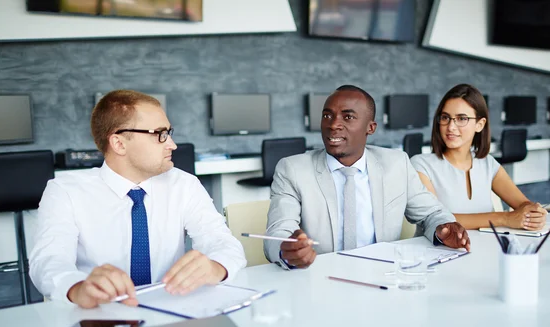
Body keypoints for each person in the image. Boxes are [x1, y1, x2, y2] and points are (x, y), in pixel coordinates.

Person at [30, 90, 246, 308]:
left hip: (172, 309)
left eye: (169, 132)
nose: (172, 144)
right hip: (101, 313)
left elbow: (223, 243)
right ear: (119, 143)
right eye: (159, 134)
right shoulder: (65, 191)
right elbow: (48, 261)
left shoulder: (184, 185)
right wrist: (78, 288)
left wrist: (216, 267)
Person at [264, 85, 470, 269]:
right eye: (327, 115)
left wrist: (443, 229)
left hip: (384, 275)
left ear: (370, 128)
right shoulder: (292, 169)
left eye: (348, 117)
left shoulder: (396, 163)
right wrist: (287, 250)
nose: (334, 124)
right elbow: (277, 232)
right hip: (322, 277)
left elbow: (431, 214)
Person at [410, 83, 547, 231]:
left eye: (461, 118)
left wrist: (532, 212)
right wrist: (505, 218)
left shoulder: (487, 163)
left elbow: (522, 204)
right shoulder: (420, 165)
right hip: (437, 252)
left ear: (480, 125)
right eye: (445, 117)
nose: (451, 127)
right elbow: (438, 219)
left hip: (484, 249)